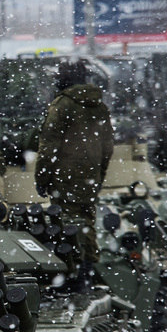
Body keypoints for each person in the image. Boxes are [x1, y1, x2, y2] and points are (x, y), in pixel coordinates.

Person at [35, 58, 114, 269]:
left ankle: (73, 272)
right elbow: (107, 149)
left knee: (65, 225)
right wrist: (99, 177)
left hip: (64, 178)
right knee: (87, 222)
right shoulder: (100, 107)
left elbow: (48, 148)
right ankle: (88, 269)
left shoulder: (61, 106)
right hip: (90, 177)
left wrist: (41, 178)